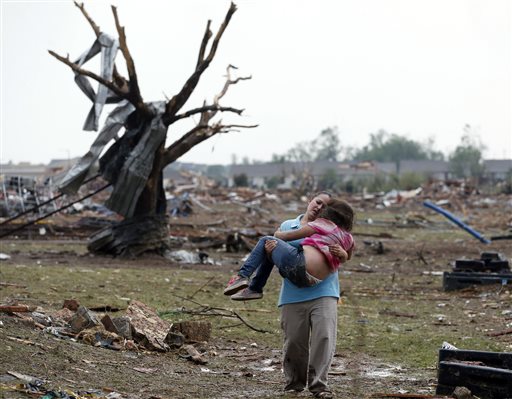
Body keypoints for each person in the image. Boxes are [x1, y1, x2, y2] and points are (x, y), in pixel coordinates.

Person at [231, 191, 351, 398]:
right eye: (318, 202)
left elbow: (347, 253)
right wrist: (271, 248)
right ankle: (294, 384)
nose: (319, 207)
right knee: (294, 342)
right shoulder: (288, 226)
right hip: (293, 294)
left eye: (325, 206)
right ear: (309, 200)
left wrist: (344, 254)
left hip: (325, 292)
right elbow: (279, 254)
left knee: (324, 338)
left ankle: (319, 386)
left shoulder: (334, 229)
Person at [223, 198, 354, 296]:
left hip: (301, 267)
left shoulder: (322, 224)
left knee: (266, 241)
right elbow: (347, 257)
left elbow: (287, 236)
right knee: (271, 247)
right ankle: (254, 289)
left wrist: (277, 233)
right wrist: (344, 254)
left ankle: (243, 277)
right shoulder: (348, 237)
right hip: (314, 280)